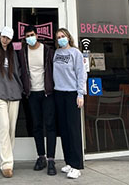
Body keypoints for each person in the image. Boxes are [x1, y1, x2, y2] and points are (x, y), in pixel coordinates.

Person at [19, 24, 57, 175]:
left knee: (50, 125)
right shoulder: (22, 52)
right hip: (32, 94)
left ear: (37, 35)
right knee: (36, 125)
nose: (30, 38)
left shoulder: (47, 51)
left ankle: (51, 160)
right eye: (27, 36)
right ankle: (41, 156)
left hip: (47, 93)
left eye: (32, 35)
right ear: (24, 38)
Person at [0, 26, 23, 178]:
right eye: (3, 36)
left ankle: (4, 160)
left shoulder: (14, 53)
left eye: (8, 38)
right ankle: (7, 163)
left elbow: (19, 72)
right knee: (3, 126)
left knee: (11, 129)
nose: (5, 40)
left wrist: (21, 88)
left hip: (14, 93)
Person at [53, 27, 86, 180]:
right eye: (58, 37)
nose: (61, 39)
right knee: (64, 129)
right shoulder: (56, 53)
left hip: (72, 93)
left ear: (68, 37)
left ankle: (77, 165)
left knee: (73, 129)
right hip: (59, 93)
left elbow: (81, 74)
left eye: (63, 36)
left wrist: (80, 93)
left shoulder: (75, 53)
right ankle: (68, 162)